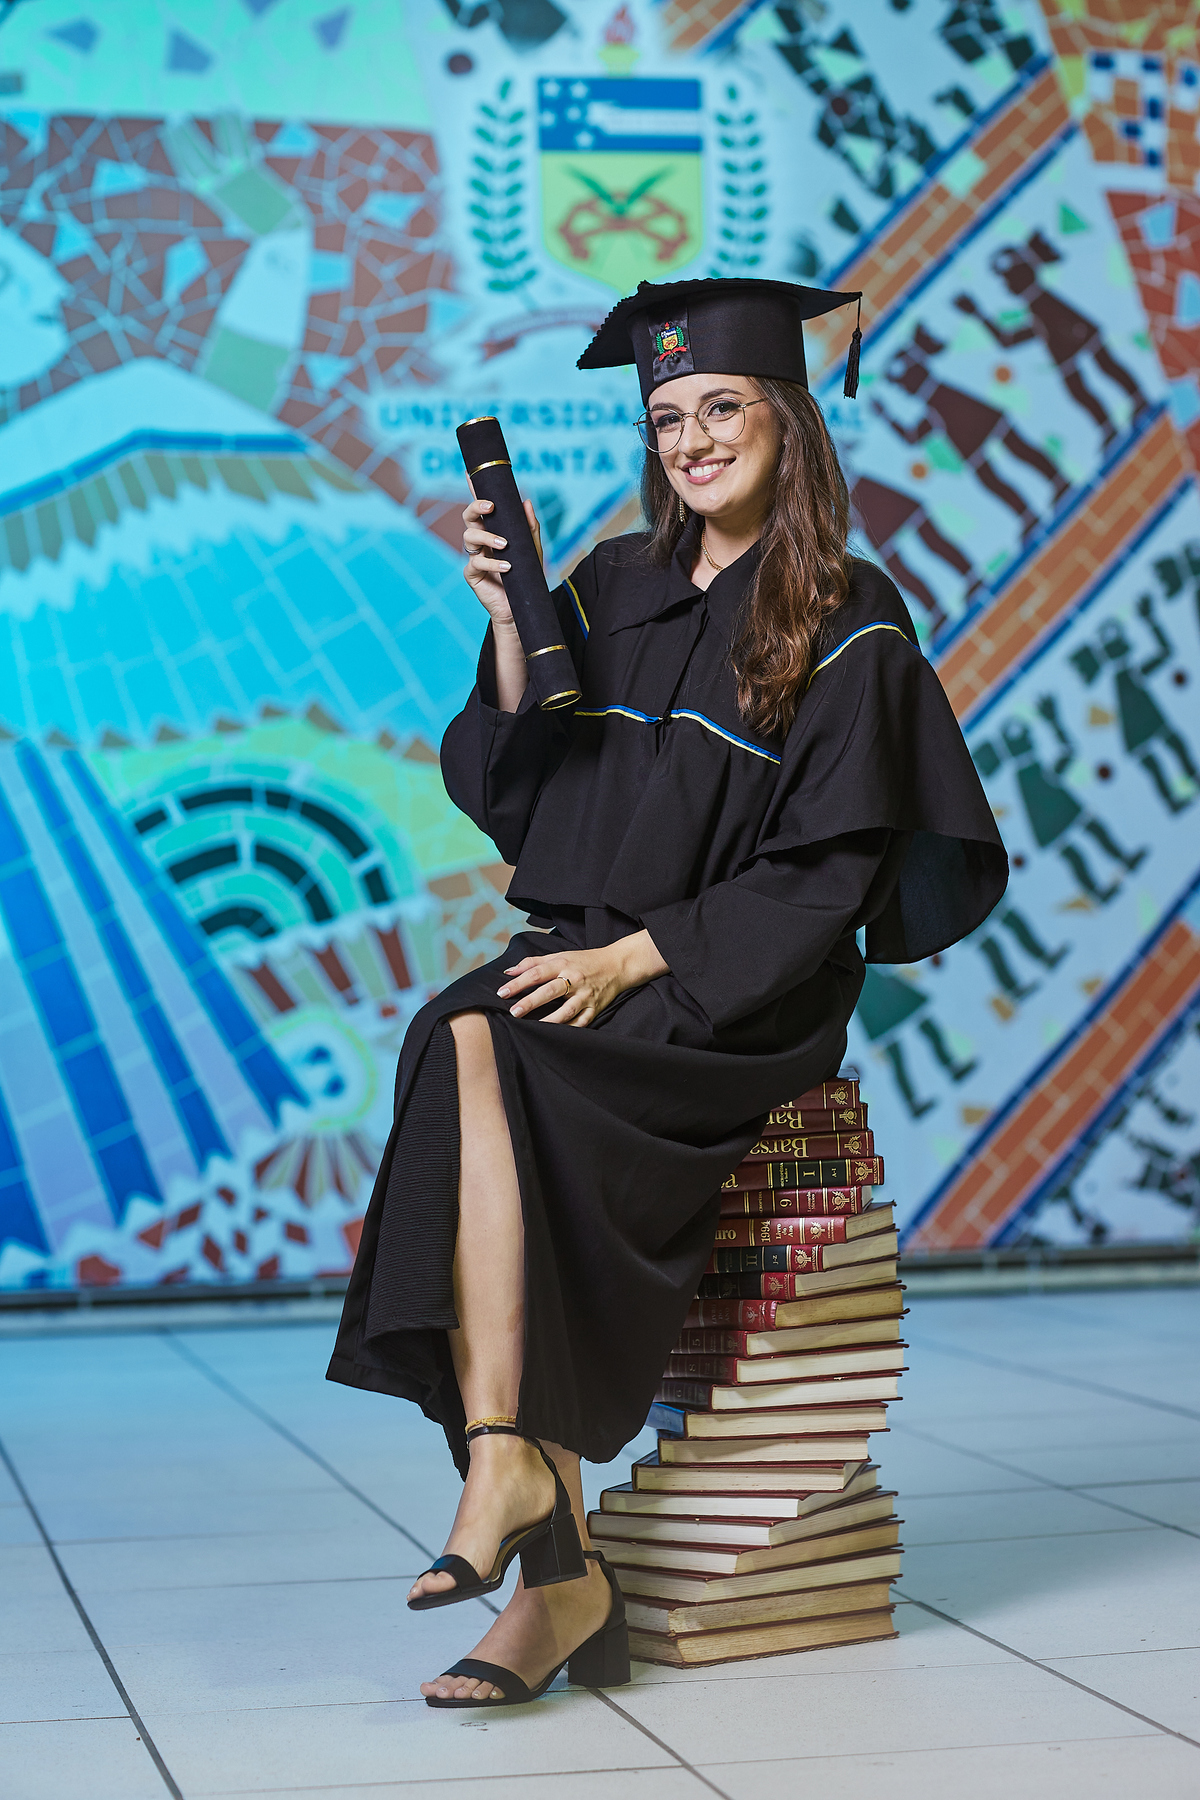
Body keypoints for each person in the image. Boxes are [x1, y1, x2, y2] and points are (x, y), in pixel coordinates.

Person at [327, 276, 1008, 1707]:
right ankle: (526, 1500)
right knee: (459, 1035)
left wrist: (636, 959)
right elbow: (514, 788)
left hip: (733, 990)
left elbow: (830, 875)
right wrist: (509, 627)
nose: (692, 440)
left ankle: (532, 1526)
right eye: (668, 417)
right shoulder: (611, 586)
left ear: (787, 421)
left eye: (722, 407)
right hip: (588, 950)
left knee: (496, 1046)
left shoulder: (850, 616)